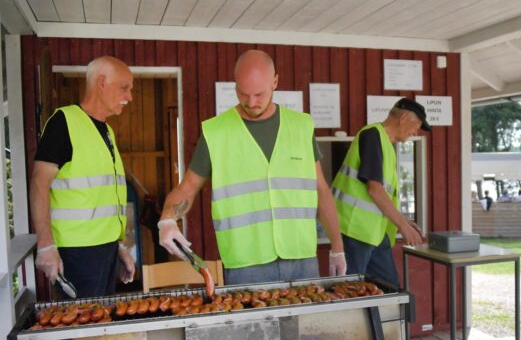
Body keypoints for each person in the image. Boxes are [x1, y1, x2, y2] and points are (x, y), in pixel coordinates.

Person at [158, 50, 346, 285]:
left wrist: (337, 247)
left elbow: (320, 190)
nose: (251, 102)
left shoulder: (301, 126)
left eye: (259, 94)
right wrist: (167, 219)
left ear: (275, 82)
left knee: (305, 324)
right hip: (245, 265)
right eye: (243, 94)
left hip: (301, 259)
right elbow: (187, 188)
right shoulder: (216, 133)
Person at [31, 56, 136, 298]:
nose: (130, 96)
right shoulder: (63, 123)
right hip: (76, 254)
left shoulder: (106, 130)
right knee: (82, 329)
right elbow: (39, 183)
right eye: (124, 87)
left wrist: (117, 247)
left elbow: (101, 197)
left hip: (105, 251)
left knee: (100, 327)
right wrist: (46, 245)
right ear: (101, 83)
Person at [332, 98, 428, 288]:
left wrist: (403, 221)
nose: (415, 132)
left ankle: (387, 319)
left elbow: (382, 193)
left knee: (389, 289)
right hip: (355, 231)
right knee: (350, 292)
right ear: (404, 117)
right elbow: (374, 189)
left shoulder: (387, 144)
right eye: (416, 125)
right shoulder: (372, 135)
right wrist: (403, 226)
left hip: (374, 232)